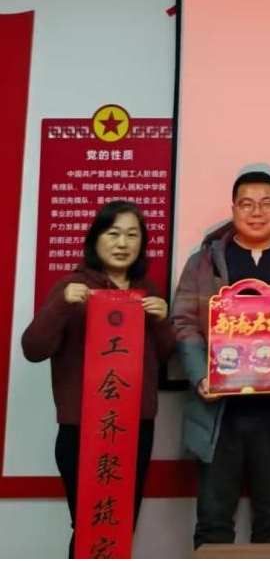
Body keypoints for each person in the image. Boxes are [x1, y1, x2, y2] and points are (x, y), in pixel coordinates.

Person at [22, 200, 175, 555]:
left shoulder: (147, 291)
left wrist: (161, 321)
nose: (123, 243)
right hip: (83, 429)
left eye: (132, 235)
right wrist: (61, 304)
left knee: (121, 525)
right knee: (90, 525)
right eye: (113, 233)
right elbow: (34, 348)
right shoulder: (71, 287)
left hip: (134, 429)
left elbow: (165, 355)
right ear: (96, 239)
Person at [171, 171, 270, 547]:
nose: (257, 212)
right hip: (218, 413)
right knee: (213, 520)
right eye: (247, 204)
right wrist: (201, 375)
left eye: (266, 203)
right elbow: (183, 322)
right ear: (233, 209)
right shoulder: (204, 263)